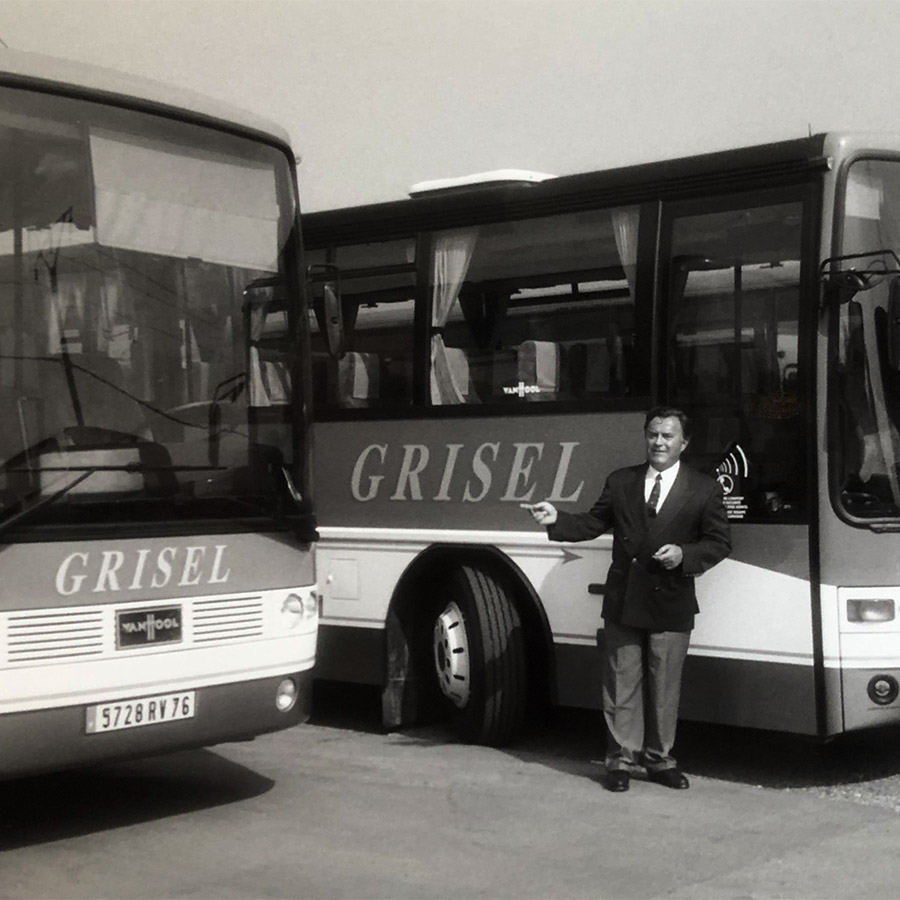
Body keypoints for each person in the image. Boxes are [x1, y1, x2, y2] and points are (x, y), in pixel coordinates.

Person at [524, 407, 731, 793]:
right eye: (653, 434)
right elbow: (592, 523)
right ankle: (620, 760)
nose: (659, 443)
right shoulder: (622, 482)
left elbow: (719, 542)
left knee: (665, 685)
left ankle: (659, 760)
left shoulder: (704, 488)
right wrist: (556, 519)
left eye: (668, 436)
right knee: (621, 683)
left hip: (671, 600)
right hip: (625, 598)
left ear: (683, 443)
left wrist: (684, 555)